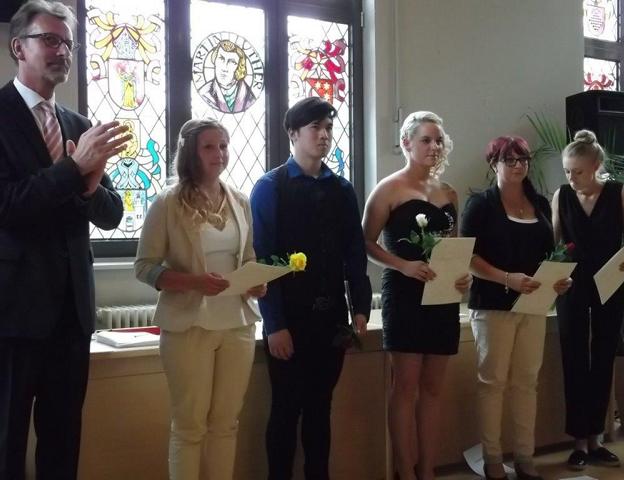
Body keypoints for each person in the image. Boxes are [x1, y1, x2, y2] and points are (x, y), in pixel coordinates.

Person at [0, 1, 130, 478]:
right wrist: (74, 169)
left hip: (72, 315)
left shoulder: (79, 126)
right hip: (12, 314)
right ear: (19, 47)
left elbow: (112, 215)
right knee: (6, 444)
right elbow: (7, 205)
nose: (62, 51)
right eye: (50, 40)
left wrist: (91, 188)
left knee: (62, 442)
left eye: (69, 44)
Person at [135, 118, 265, 480]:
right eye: (209, 146)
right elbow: (144, 267)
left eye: (223, 145)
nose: (219, 153)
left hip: (237, 324)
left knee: (226, 423)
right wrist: (194, 283)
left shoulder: (240, 200)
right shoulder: (167, 203)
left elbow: (249, 258)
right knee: (190, 426)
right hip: (188, 325)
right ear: (190, 152)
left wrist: (255, 282)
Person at [250, 96, 372, 480]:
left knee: (321, 408)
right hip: (289, 318)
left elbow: (354, 253)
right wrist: (274, 324)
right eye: (315, 128)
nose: (324, 135)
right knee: (286, 410)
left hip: (331, 318)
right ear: (293, 133)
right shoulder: (270, 187)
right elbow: (264, 259)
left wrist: (360, 307)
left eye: (329, 128)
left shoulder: (342, 189)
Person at [362, 111, 471, 480]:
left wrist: (461, 277)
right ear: (406, 143)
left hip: (442, 297)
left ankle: (428, 468)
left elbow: (453, 247)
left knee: (434, 388)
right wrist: (403, 265)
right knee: (405, 387)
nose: (434, 146)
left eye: (438, 140)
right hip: (404, 294)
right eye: (426, 139)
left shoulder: (449, 193)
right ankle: (404, 470)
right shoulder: (388, 189)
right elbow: (366, 243)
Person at [460, 136, 571, 480]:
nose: (519, 166)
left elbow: (550, 254)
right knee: (492, 383)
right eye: (510, 160)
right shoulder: (480, 204)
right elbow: (469, 257)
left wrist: (557, 279)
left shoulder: (539, 203)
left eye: (523, 159)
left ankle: (525, 457)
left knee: (527, 382)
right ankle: (493, 459)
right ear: (494, 164)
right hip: (493, 305)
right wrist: (507, 278)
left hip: (533, 305)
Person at [552, 130, 624, 471]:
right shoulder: (561, 195)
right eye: (567, 171)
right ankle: (578, 442)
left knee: (603, 357)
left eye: (578, 172)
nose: (572, 178)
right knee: (573, 358)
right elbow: (556, 244)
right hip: (572, 285)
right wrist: (554, 274)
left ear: (596, 167)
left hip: (609, 282)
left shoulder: (619, 193)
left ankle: (596, 439)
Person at [204, 40, 257, 113]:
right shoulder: (205, 93)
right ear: (215, 60)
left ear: (239, 67)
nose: (224, 68)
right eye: (221, 58)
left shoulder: (249, 98)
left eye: (231, 62)